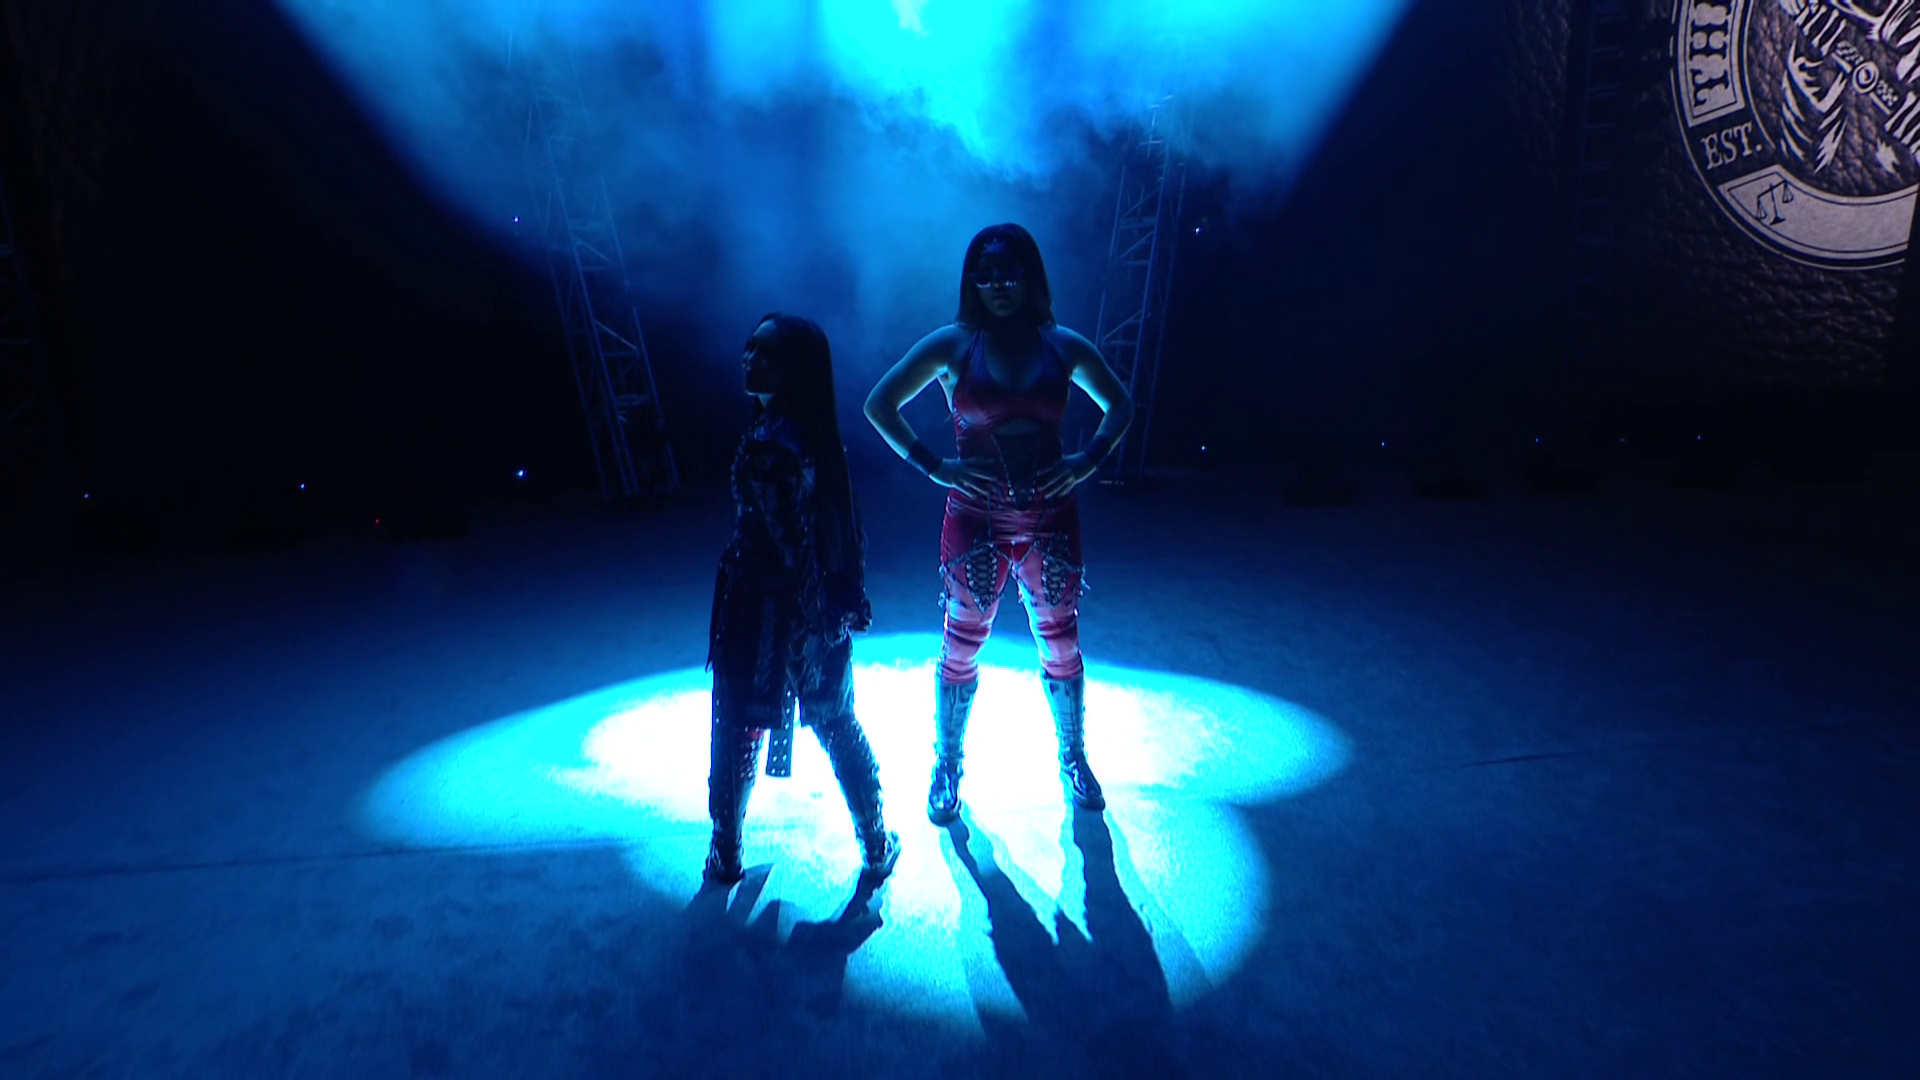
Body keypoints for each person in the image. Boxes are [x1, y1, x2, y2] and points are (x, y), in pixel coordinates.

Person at [863, 224, 1135, 824]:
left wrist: (1088, 460)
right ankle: (947, 764)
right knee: (961, 640)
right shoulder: (954, 345)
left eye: (1009, 273)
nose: (998, 285)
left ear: (1030, 277)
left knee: (1060, 639)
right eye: (985, 275)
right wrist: (935, 466)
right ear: (972, 282)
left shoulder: (1060, 345)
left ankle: (1073, 756)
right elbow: (879, 403)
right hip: (976, 517)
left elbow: (1121, 403)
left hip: (1049, 515)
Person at [706, 313, 900, 884]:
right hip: (804, 606)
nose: (750, 359)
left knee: (741, 724)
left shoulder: (774, 444)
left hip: (770, 607)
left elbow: (793, 542)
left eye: (766, 353)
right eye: (749, 347)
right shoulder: (806, 436)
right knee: (833, 721)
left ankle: (727, 851)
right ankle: (874, 842)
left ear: (797, 368)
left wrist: (807, 611)